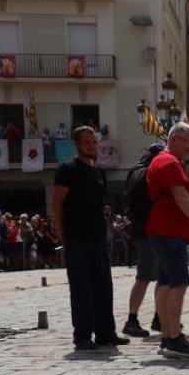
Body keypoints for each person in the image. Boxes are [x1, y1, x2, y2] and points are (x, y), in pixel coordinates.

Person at [51, 126, 128, 350]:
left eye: (94, 142)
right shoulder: (68, 170)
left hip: (98, 237)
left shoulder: (99, 172)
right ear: (77, 145)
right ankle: (83, 335)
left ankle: (106, 333)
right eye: (87, 143)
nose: (92, 146)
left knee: (104, 286)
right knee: (81, 288)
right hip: (76, 237)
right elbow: (57, 203)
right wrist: (60, 231)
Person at [145, 122, 189, 358]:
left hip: (164, 231)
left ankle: (167, 336)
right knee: (179, 282)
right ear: (174, 138)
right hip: (168, 231)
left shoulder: (163, 161)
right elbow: (182, 197)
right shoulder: (168, 162)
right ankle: (174, 337)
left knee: (165, 284)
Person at [121, 144, 165, 338]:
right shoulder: (149, 173)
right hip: (151, 230)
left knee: (159, 276)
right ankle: (132, 320)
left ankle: (159, 317)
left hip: (142, 229)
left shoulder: (134, 172)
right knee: (145, 277)